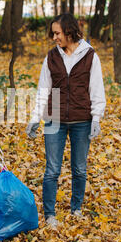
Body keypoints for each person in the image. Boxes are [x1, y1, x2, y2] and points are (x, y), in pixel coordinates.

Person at [26, 13, 106, 228]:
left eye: (58, 33)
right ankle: (50, 214)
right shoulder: (51, 57)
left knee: (79, 169)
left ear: (70, 32)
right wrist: (35, 118)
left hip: (82, 120)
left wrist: (96, 118)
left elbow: (96, 89)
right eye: (53, 33)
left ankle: (76, 208)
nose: (55, 37)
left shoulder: (89, 55)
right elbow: (43, 89)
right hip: (55, 119)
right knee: (52, 169)